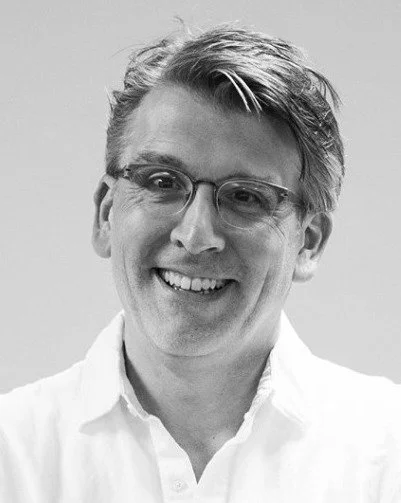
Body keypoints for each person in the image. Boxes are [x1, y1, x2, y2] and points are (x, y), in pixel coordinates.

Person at [1, 24, 400, 503]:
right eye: (162, 182)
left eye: (246, 196)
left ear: (308, 243)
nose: (195, 235)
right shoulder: (11, 454)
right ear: (106, 214)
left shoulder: (387, 454)